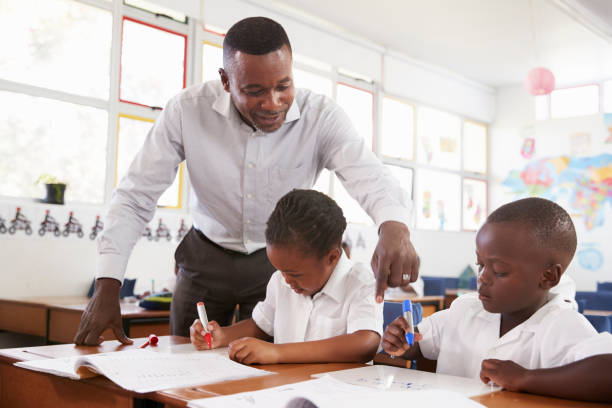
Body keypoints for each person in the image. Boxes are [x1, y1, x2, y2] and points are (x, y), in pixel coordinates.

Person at [75, 16, 417, 345]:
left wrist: (394, 224)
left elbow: (369, 175)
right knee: (185, 364)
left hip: (280, 268)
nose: (273, 103)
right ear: (226, 81)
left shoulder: (321, 116)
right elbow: (136, 197)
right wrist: (108, 284)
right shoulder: (186, 111)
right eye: (255, 91)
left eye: (283, 86)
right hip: (204, 261)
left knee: (269, 372)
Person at [382, 197, 612, 402]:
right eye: (480, 265)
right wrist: (402, 342)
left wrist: (526, 378)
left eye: (499, 271)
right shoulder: (465, 309)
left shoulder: (561, 324)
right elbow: (420, 345)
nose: (482, 278)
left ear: (548, 277)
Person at [190, 189, 382, 364]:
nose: (287, 280)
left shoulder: (361, 282)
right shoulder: (279, 282)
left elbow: (365, 343)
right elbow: (260, 325)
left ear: (331, 257)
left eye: (294, 274)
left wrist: (278, 352)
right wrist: (223, 335)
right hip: (286, 389)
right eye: (281, 270)